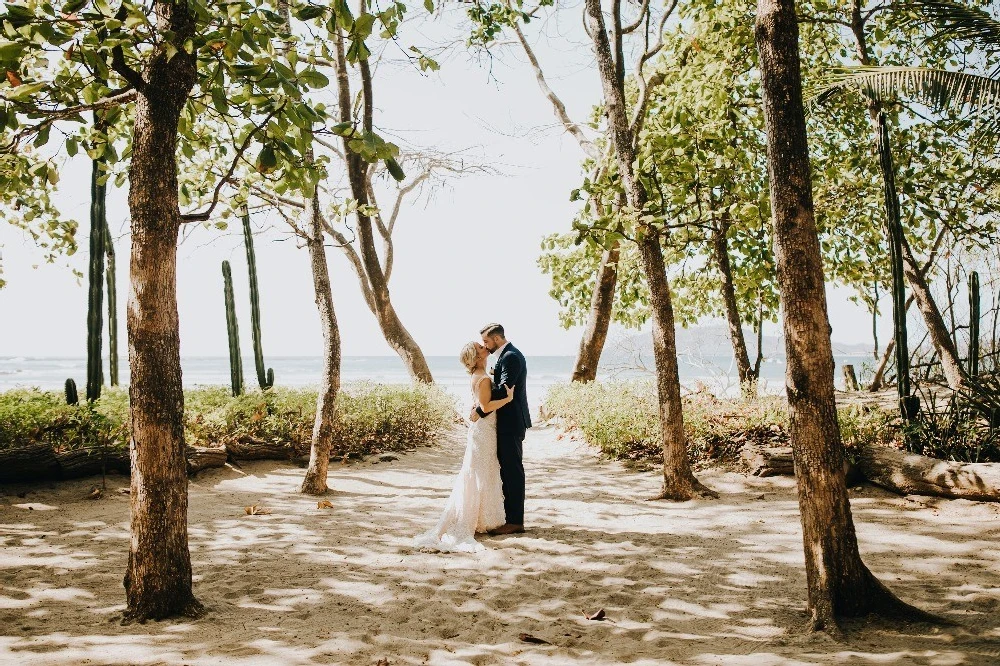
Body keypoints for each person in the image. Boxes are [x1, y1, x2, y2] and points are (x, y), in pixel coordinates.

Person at [414, 341, 514, 552]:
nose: (484, 347)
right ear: (477, 357)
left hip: (481, 430)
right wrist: (507, 399)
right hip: (484, 431)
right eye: (480, 347)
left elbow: (479, 405)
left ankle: (478, 518)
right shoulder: (484, 378)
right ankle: (474, 520)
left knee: (479, 472)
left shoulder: (478, 376)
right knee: (480, 472)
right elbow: (486, 406)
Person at [474, 323, 531, 535]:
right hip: (506, 422)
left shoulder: (510, 357)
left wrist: (481, 408)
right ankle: (511, 518)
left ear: (496, 339)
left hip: (512, 422)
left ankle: (516, 521)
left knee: (513, 472)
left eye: (486, 342)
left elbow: (506, 390)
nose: (485, 346)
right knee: (507, 471)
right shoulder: (506, 355)